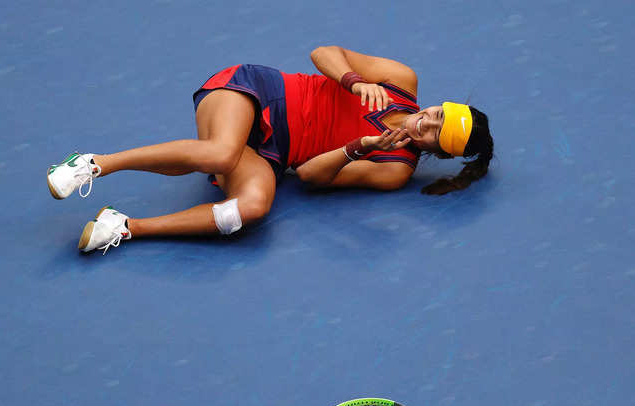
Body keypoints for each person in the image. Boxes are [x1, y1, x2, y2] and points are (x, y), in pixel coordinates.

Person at [46, 46, 493, 255]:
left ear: (439, 151)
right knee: (221, 154)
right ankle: (92, 164)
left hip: (271, 154)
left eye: (435, 133)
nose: (426, 122)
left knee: (249, 210)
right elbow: (324, 52)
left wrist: (359, 147)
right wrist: (356, 80)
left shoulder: (394, 168)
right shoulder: (400, 81)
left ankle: (124, 227)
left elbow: (314, 178)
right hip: (256, 92)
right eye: (435, 114)